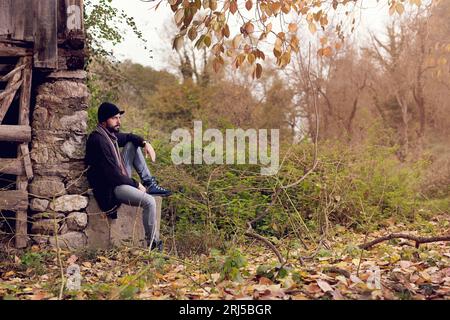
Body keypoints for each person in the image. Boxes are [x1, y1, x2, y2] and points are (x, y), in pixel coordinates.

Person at [85, 102, 171, 251]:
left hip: (119, 178)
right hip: (111, 188)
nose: (119, 121)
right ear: (104, 121)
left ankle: (149, 183)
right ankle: (153, 244)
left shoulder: (109, 135)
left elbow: (130, 137)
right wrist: (135, 184)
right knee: (150, 201)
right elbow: (113, 176)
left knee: (132, 143)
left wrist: (145, 143)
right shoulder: (98, 140)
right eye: (114, 118)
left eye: (119, 117)